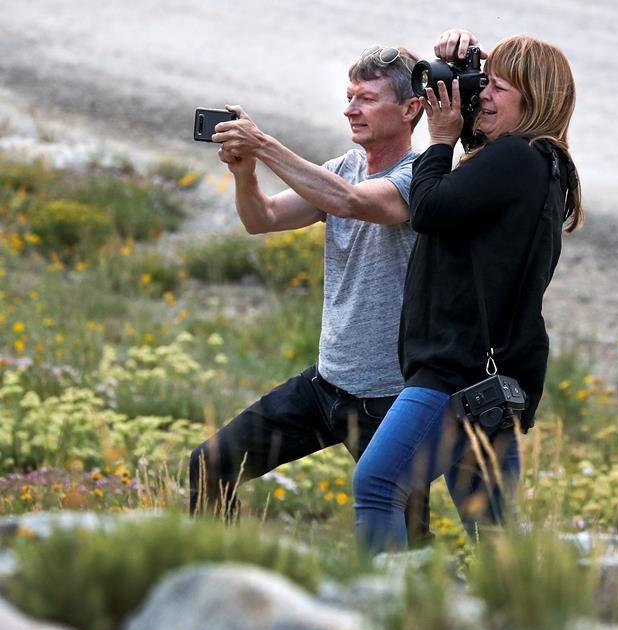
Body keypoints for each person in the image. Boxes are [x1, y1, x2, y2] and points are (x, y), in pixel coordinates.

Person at [189, 38, 471, 541]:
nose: (350, 109)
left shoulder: (421, 177)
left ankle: (421, 595)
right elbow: (262, 218)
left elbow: (351, 203)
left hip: (391, 399)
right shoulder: (343, 167)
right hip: (326, 384)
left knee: (405, 542)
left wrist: (263, 144)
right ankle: (221, 574)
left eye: (367, 99)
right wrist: (245, 171)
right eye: (349, 97)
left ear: (411, 109)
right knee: (211, 464)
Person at [353, 30, 584, 553]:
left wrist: (439, 139)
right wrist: (461, 73)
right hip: (491, 378)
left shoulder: (517, 159)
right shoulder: (540, 164)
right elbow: (465, 186)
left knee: (379, 484)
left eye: (498, 88)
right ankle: (518, 605)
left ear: (534, 98)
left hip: (456, 372)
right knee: (493, 532)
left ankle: (383, 601)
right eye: (486, 84)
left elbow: (429, 209)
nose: (484, 96)